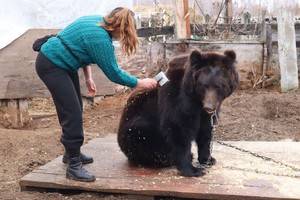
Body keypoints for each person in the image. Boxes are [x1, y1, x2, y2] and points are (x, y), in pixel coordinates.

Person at [35, 7, 157, 182]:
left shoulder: (95, 21)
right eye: (125, 32)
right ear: (120, 27)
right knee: (72, 112)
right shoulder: (101, 39)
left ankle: (70, 155)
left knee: (74, 107)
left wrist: (88, 78)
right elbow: (113, 73)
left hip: (62, 63)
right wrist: (139, 82)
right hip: (51, 65)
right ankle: (74, 167)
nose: (123, 37)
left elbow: (77, 47)